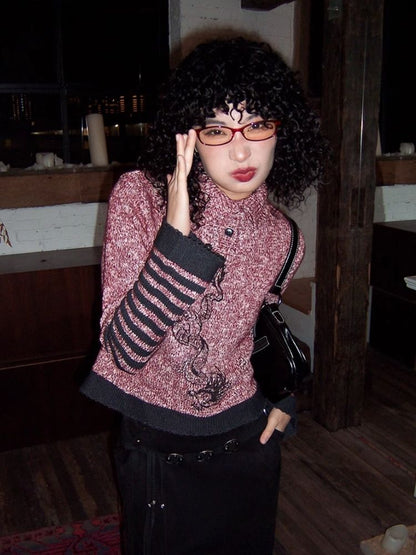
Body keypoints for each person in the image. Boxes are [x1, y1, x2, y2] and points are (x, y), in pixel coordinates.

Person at [81, 36, 327, 555]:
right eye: (217, 130)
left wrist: (284, 398)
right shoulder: (141, 197)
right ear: (189, 134)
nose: (241, 150)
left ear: (282, 130)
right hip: (159, 446)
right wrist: (176, 239)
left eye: (257, 125)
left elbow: (259, 330)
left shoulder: (285, 236)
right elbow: (124, 350)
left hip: (249, 439)